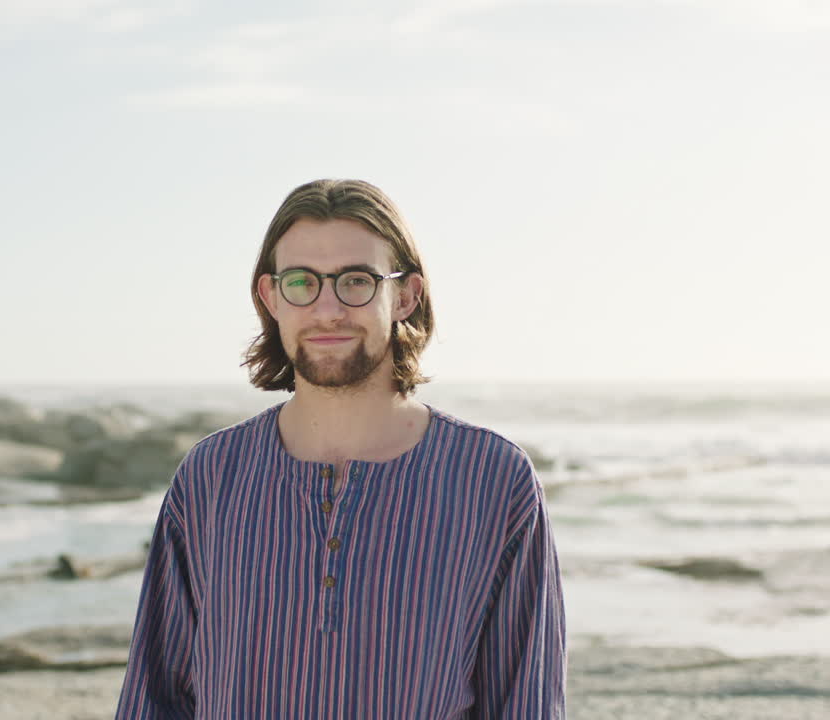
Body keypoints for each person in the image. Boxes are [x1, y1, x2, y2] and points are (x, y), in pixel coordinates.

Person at [114, 179, 566, 719]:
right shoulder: (211, 477)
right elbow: (156, 694)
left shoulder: (493, 480)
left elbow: (526, 702)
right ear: (271, 297)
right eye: (302, 282)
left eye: (356, 280)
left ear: (405, 296)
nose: (327, 309)